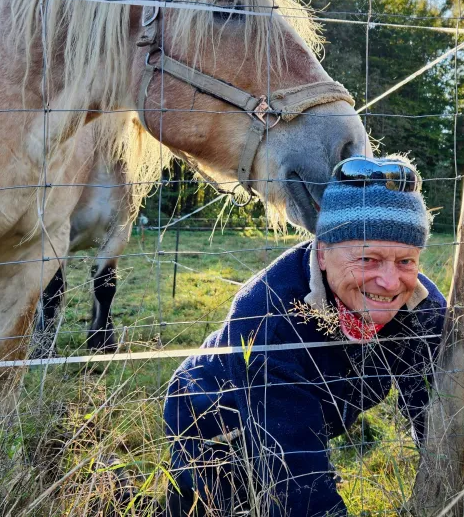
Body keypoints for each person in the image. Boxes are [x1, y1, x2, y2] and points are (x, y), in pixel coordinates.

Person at [163, 156, 447, 517]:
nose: (390, 283)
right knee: (217, 502)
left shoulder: (421, 307)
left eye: (406, 261)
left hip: (309, 416)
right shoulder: (268, 316)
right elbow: (297, 476)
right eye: (367, 259)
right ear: (323, 253)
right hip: (213, 417)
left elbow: (436, 413)